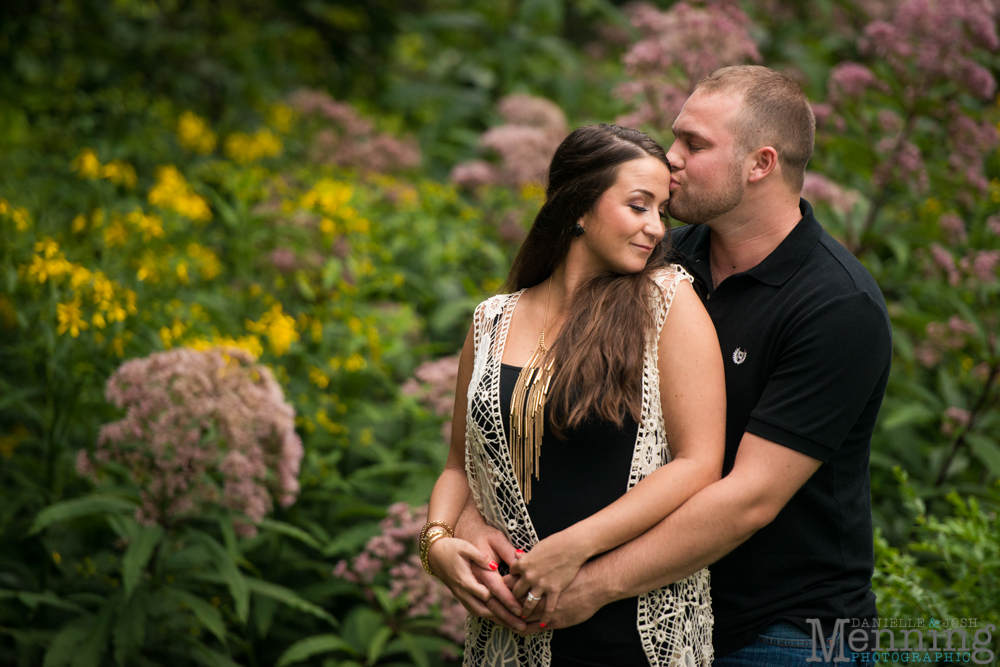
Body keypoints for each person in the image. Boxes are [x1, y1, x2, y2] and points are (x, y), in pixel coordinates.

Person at [463, 66, 892, 666]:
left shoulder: (836, 307)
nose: (671, 158)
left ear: (760, 164)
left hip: (786, 630)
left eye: (694, 144)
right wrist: (455, 533)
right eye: (675, 138)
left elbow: (749, 499)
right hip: (655, 612)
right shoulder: (662, 264)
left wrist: (589, 583)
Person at [420, 124, 727, 666]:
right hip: (507, 635)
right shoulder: (492, 320)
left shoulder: (668, 303)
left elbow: (699, 464)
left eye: (662, 211)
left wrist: (575, 547)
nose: (656, 228)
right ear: (580, 208)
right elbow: (458, 468)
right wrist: (439, 542)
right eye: (639, 206)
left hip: (628, 630)